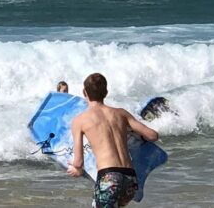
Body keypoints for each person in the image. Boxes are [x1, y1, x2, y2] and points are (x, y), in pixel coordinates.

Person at [67, 73, 159, 207]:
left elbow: (79, 162)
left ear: (84, 92)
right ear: (106, 92)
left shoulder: (80, 120)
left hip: (109, 177)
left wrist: (75, 169)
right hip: (130, 178)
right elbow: (152, 136)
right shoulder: (121, 113)